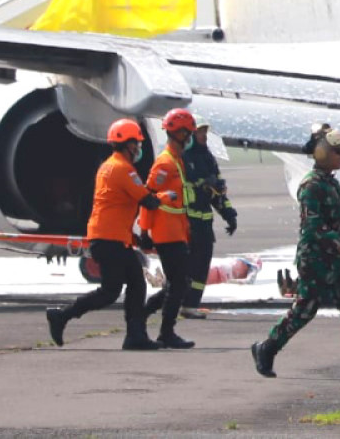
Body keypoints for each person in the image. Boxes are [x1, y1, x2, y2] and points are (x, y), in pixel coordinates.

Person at [251, 128, 340, 380]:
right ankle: (267, 348)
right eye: (337, 151)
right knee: (305, 309)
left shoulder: (330, 183)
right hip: (317, 259)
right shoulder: (311, 186)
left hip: (339, 260)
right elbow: (313, 226)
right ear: (322, 152)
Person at [46, 118, 164, 351]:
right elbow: (147, 200)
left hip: (111, 237)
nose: (139, 148)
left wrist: (134, 237)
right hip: (109, 239)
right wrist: (167, 195)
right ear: (127, 145)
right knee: (113, 290)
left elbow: (119, 207)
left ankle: (135, 335)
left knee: (132, 285)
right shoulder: (122, 169)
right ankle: (63, 316)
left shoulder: (110, 165)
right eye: (136, 144)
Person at [138, 108, 197, 349]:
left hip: (176, 232)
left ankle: (142, 319)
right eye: (188, 133)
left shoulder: (176, 161)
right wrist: (144, 232)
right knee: (179, 283)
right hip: (166, 234)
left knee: (177, 283)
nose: (190, 137)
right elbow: (148, 198)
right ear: (179, 133)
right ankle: (164, 330)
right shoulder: (164, 163)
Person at [179, 115, 237, 318]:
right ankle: (178, 303)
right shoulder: (182, 158)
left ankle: (191, 304)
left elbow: (218, 190)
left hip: (204, 221)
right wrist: (203, 184)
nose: (204, 136)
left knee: (202, 264)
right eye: (200, 132)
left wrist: (229, 214)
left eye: (205, 132)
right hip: (187, 222)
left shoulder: (207, 157)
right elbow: (184, 189)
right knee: (186, 266)